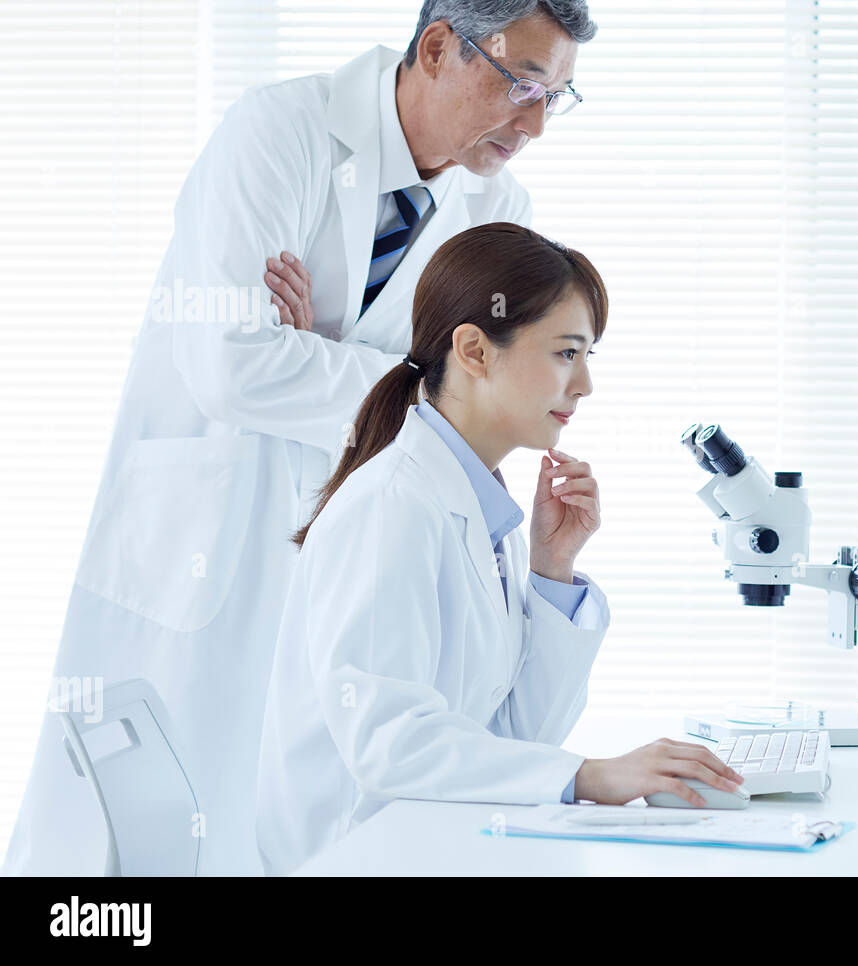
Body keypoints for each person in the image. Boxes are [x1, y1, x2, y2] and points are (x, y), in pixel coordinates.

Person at [4, 1, 597, 876]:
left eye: (559, 99)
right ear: (438, 49)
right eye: (524, 86)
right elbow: (231, 365)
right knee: (137, 837)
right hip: (204, 526)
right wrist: (404, 374)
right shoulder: (280, 133)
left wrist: (316, 345)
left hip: (339, 526)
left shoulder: (494, 207)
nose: (538, 123)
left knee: (287, 812)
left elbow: (460, 399)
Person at [255, 222, 743, 875]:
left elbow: (514, 740)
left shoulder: (485, 510)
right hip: (358, 853)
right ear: (475, 351)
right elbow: (389, 745)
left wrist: (552, 572)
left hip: (437, 842)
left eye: (588, 357)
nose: (584, 387)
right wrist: (591, 776)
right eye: (567, 352)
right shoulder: (391, 507)